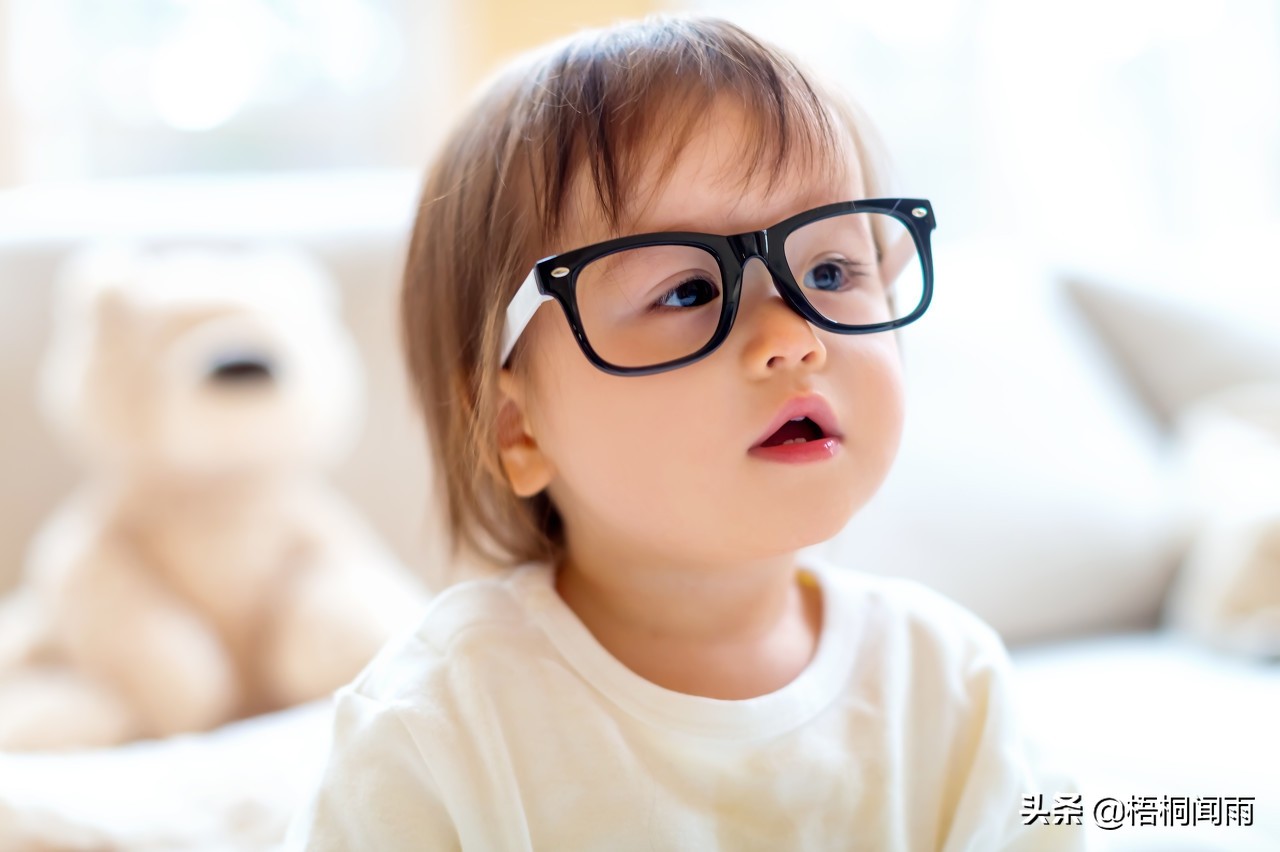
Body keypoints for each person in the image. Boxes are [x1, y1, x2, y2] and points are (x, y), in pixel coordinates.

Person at [285, 14, 1085, 851]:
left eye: (828, 271)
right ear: (515, 423)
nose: (792, 337)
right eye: (687, 292)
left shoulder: (947, 685)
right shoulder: (441, 729)